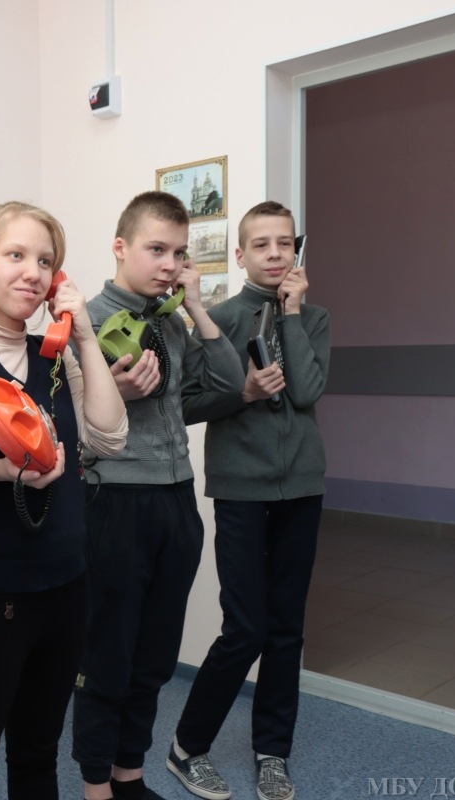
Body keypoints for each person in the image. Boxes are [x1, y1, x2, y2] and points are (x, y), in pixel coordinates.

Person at [0, 200, 128, 800]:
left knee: (38, 755)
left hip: (65, 587)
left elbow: (110, 437)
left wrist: (81, 333)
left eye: (45, 262)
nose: (32, 272)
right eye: (15, 255)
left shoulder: (54, 357)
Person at [73, 190, 244, 800]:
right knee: (108, 656)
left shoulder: (170, 321)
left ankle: (130, 776)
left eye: (178, 252)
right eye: (156, 249)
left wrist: (196, 308)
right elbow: (61, 423)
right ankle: (96, 787)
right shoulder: (85, 322)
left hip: (176, 501)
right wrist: (112, 396)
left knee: (154, 656)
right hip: (115, 501)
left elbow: (229, 384)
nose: (169, 264)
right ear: (120, 248)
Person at [169, 201, 329, 800]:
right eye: (260, 244)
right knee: (246, 628)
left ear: (296, 251)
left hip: (302, 489)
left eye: (284, 243)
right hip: (241, 490)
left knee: (287, 628)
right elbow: (187, 404)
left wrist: (293, 313)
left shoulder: (315, 319)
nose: (274, 253)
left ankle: (272, 752)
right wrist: (243, 393)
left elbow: (307, 390)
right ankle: (186, 747)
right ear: (240, 255)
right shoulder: (218, 319)